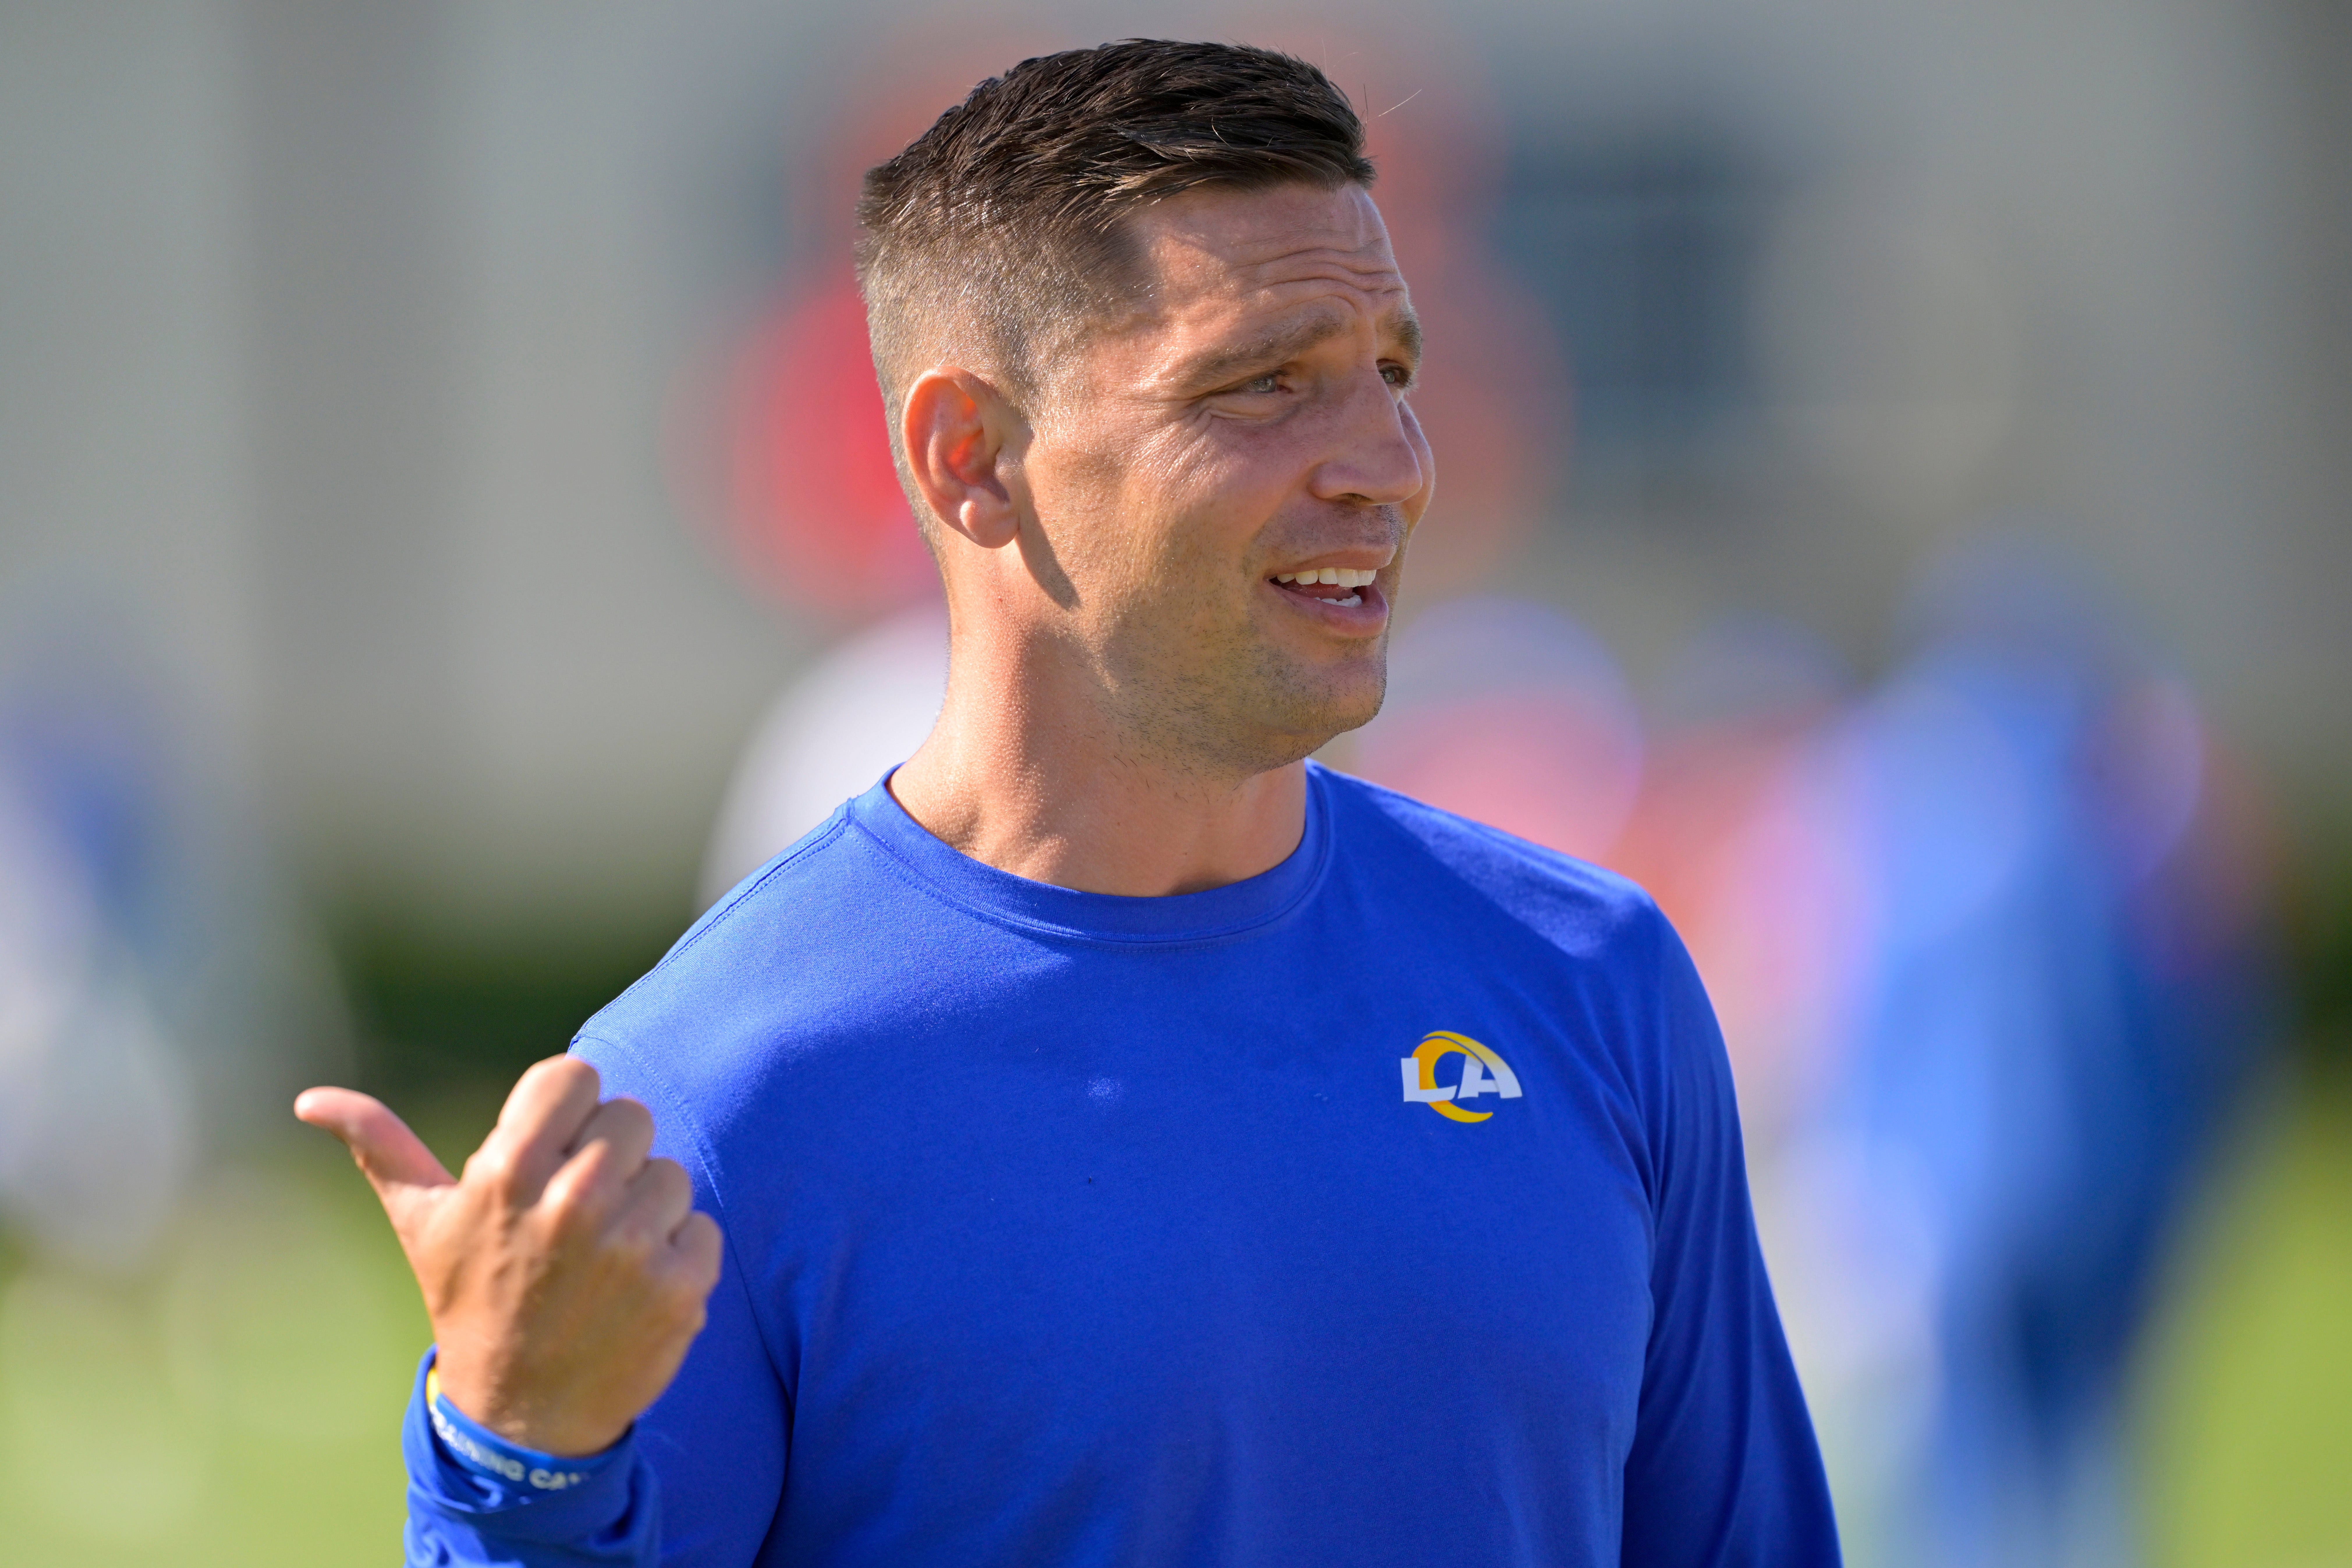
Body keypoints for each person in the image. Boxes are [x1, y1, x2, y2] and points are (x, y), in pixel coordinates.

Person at [297, 39, 1839, 1568]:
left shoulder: (1589, 984)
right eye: (1262, 386)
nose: (1390, 464)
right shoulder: (720, 1094)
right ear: (973, 459)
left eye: (1388, 370)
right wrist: (511, 1458)